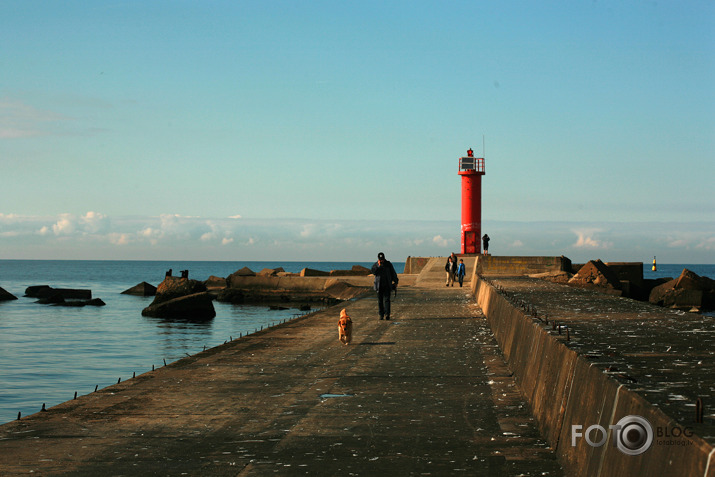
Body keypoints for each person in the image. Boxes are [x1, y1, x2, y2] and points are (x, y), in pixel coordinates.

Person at [371, 252, 398, 320]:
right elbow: (373, 272)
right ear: (378, 259)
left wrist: (396, 281)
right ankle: (381, 314)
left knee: (387, 300)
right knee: (380, 301)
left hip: (387, 285)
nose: (382, 260)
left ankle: (387, 314)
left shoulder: (388, 264)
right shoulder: (376, 265)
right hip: (378, 286)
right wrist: (379, 266)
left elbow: (393, 273)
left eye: (382, 259)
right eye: (380, 259)